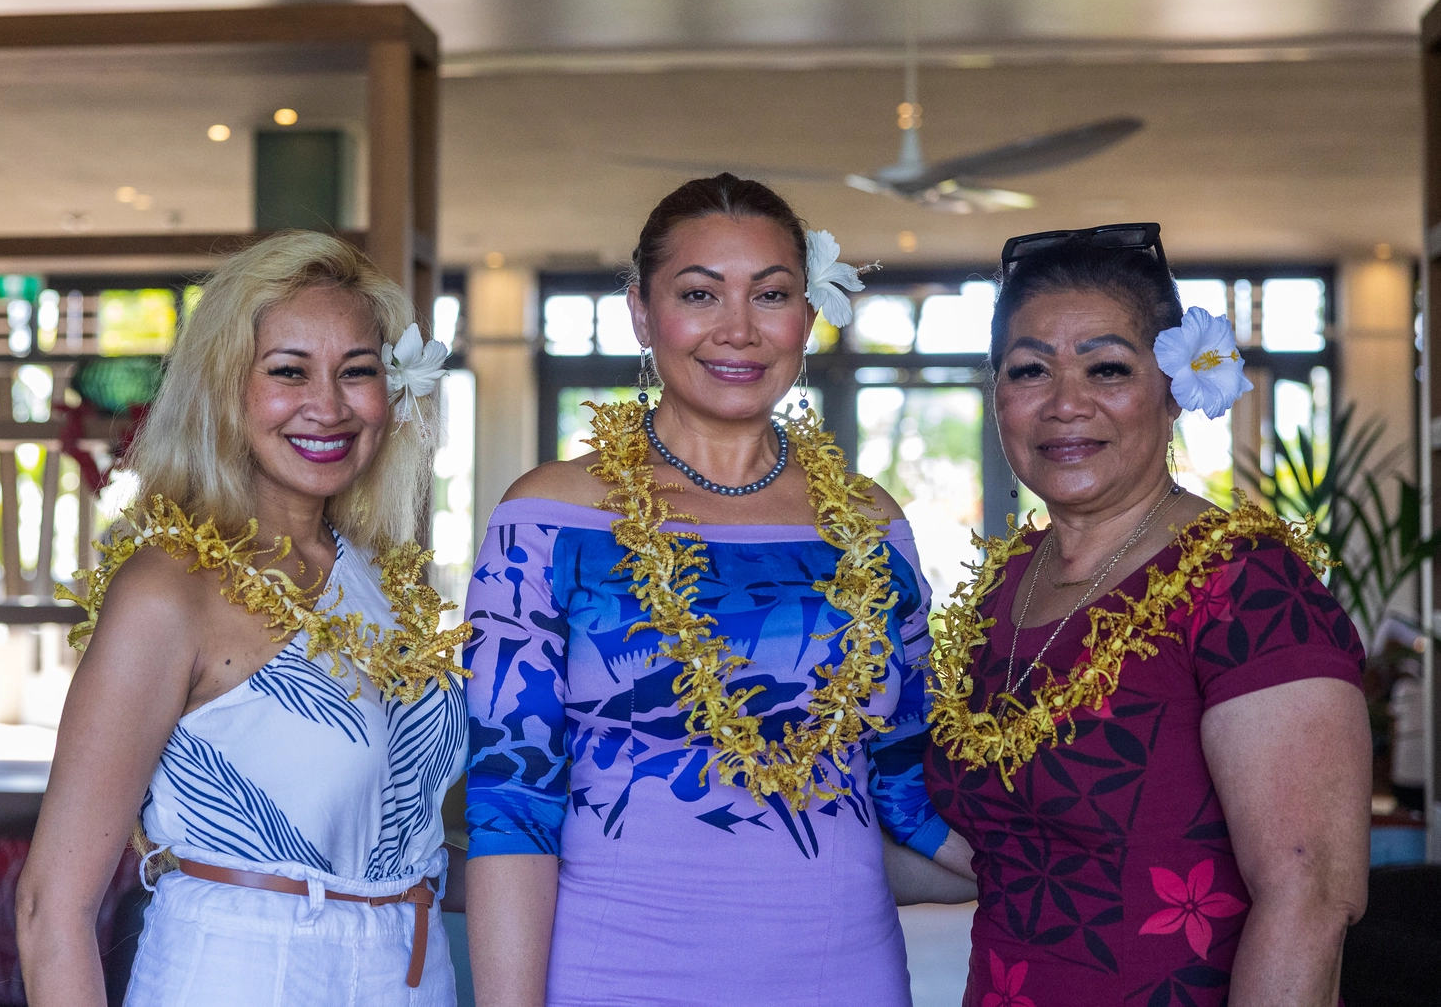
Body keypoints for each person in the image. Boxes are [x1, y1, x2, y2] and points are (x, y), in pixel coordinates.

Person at [463, 174, 975, 1007]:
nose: (738, 329)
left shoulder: (869, 524)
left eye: (771, 295)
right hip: (616, 975)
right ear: (641, 312)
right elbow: (511, 802)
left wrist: (1087, 865)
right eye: (699, 294)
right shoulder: (549, 518)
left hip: (844, 972)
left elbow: (907, 780)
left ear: (807, 319)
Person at [16, 231, 470, 1007]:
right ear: (225, 387)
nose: (327, 406)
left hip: (411, 969)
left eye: (357, 373)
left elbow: (408, 827)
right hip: (247, 972)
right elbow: (49, 909)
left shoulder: (380, 581)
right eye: (288, 372)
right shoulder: (169, 590)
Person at [924, 223, 1370, 1007]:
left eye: (1107, 367)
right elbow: (994, 846)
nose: (1066, 405)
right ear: (997, 394)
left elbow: (1311, 898)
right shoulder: (1007, 589)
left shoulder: (1248, 585)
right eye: (1030, 370)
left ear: (1171, 387)